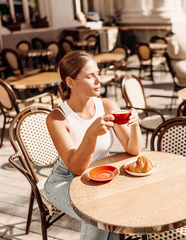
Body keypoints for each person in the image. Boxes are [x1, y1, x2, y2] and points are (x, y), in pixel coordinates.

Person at [44, 50, 142, 240]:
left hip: (101, 177)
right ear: (70, 82)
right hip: (64, 180)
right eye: (90, 76)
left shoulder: (107, 106)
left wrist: (135, 124)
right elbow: (77, 167)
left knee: (114, 213)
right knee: (97, 215)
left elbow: (133, 149)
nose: (99, 80)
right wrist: (90, 134)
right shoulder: (57, 118)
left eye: (98, 73)